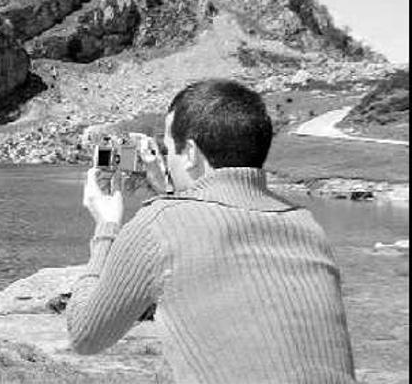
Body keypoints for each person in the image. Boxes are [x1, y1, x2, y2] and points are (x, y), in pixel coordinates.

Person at [66, 79, 356, 383]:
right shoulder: (307, 226)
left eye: (168, 148)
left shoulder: (159, 223)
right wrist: (164, 188)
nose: (167, 158)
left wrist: (107, 225)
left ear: (190, 153)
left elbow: (85, 335)